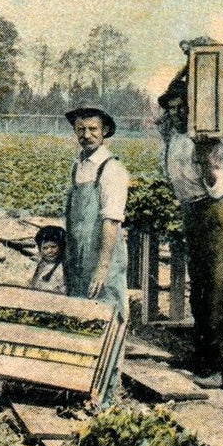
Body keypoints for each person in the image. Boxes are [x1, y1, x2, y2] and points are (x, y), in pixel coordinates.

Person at [160, 75, 223, 389]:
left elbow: (216, 187)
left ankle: (221, 367)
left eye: (184, 107)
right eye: (173, 108)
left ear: (195, 109)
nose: (178, 113)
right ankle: (203, 357)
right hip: (191, 212)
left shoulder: (206, 140)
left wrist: (206, 157)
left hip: (215, 213)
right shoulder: (172, 136)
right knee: (200, 290)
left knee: (219, 291)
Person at [62, 104, 129, 315]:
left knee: (107, 311)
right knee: (79, 313)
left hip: (102, 256)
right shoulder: (78, 166)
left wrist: (102, 268)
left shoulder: (111, 169)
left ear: (104, 132)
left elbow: (111, 221)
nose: (87, 135)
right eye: (81, 130)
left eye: (93, 129)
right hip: (77, 256)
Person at [28, 226, 67, 294]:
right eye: (45, 248)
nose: (50, 251)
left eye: (53, 246)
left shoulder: (63, 269)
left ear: (61, 246)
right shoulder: (41, 265)